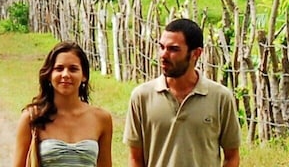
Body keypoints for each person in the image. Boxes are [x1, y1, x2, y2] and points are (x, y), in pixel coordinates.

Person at [126, 18, 240, 167]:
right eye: (161, 47)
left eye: (173, 49)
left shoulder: (220, 98)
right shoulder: (141, 97)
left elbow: (232, 156)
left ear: (196, 54)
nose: (163, 55)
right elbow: (135, 158)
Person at [13, 41, 115, 167]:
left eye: (73, 69)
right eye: (59, 69)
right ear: (49, 75)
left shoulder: (102, 119)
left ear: (84, 76)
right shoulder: (32, 117)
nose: (65, 75)